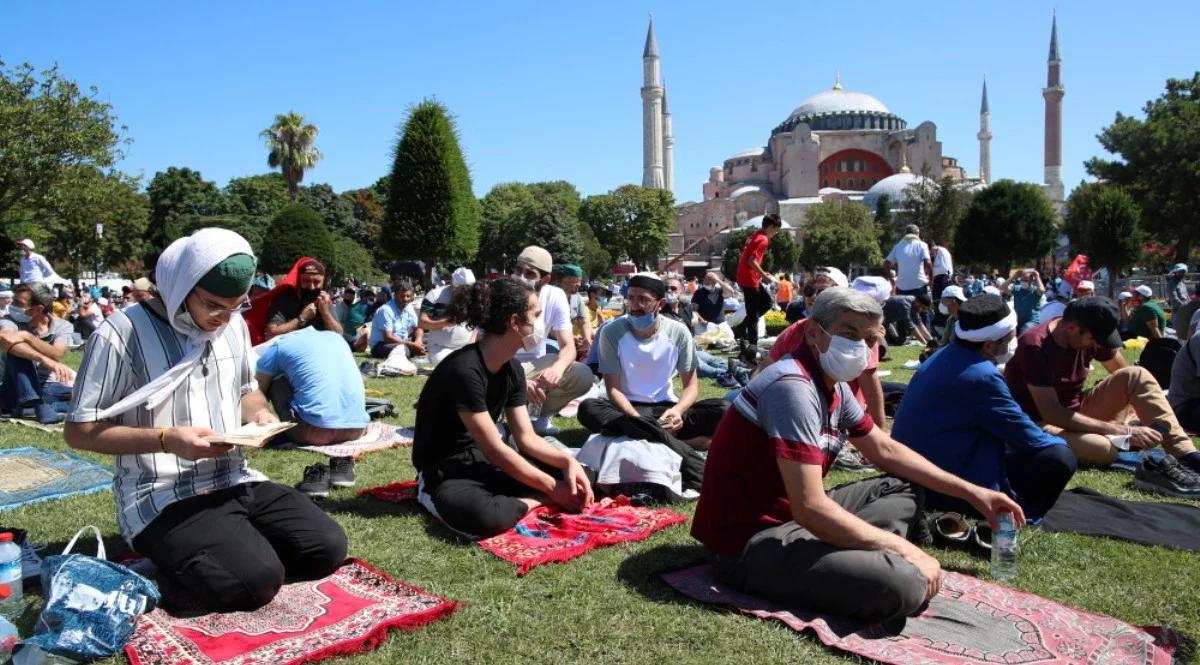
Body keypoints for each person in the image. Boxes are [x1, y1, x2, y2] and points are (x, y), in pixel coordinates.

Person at [690, 287, 1024, 623]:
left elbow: (884, 448)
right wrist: (902, 548)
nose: (860, 347)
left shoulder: (830, 382)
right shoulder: (792, 387)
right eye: (849, 334)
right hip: (747, 545)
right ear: (813, 333)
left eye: (869, 338)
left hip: (792, 518)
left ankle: (853, 553)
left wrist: (975, 492)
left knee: (900, 487)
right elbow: (810, 508)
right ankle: (867, 558)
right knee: (905, 584)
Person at [64, 228, 347, 612]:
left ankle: (223, 554)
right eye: (214, 305)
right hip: (160, 492)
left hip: (233, 477)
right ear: (180, 287)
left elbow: (247, 391)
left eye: (237, 306)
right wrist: (166, 439)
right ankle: (187, 560)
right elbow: (80, 431)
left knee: (325, 548)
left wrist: (260, 414)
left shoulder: (231, 326)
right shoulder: (122, 332)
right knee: (253, 584)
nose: (225, 318)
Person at [411, 278, 594, 538]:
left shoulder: (513, 369)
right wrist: (552, 489)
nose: (540, 324)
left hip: (483, 462)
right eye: (536, 315)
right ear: (515, 322)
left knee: (583, 477)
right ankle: (536, 500)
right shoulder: (464, 370)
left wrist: (567, 463)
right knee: (485, 517)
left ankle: (529, 496)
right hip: (447, 471)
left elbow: (526, 438)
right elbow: (495, 449)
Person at [892, 295, 1076, 519]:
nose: (1013, 339)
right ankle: (1021, 511)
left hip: (915, 471)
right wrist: (1061, 441)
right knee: (1059, 457)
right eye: (1009, 336)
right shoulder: (982, 375)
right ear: (989, 345)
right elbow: (1028, 437)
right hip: (942, 485)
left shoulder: (944, 355)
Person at [1005, 296, 1200, 479]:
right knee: (1101, 449)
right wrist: (1122, 430)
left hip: (1077, 411)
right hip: (1037, 422)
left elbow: (1124, 375)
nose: (1096, 346)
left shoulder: (1090, 332)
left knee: (1137, 375)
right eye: (1093, 341)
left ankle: (1186, 454)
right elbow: (1052, 413)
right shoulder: (1035, 345)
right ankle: (1119, 443)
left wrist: (1133, 411)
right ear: (1072, 328)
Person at [579, 273, 729, 448]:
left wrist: (677, 411)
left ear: (661, 304)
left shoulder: (678, 331)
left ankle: (644, 436)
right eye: (631, 298)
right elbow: (613, 389)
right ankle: (682, 442)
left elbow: (691, 386)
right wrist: (636, 419)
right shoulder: (611, 331)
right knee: (588, 409)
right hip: (627, 409)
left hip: (665, 408)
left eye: (643, 299)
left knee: (724, 409)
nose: (634, 306)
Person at [256, 327, 369, 498]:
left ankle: (288, 425)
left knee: (275, 380)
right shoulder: (337, 339)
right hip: (357, 428)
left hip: (312, 432)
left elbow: (258, 392)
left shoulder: (278, 347)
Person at [511, 246, 593, 436]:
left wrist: (556, 369)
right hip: (501, 365)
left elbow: (568, 347)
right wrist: (517, 378)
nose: (520, 277)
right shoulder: (501, 293)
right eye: (517, 270)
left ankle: (540, 416)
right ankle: (497, 416)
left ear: (545, 279)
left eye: (529, 273)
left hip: (535, 365)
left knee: (582, 374)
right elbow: (483, 348)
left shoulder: (555, 296)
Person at [0, 283, 76, 423]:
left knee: (85, 395)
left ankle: (31, 407)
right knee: (16, 349)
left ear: (38, 308)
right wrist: (43, 359)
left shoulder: (62, 325)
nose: (12, 305)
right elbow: (5, 338)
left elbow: (57, 353)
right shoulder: (9, 320)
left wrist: (28, 337)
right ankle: (38, 405)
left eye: (19, 303)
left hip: (46, 386)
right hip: (13, 385)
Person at [247, 258, 343, 345]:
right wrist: (301, 319)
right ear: (299, 281)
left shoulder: (323, 301)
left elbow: (338, 335)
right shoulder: (285, 298)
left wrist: (325, 312)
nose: (311, 287)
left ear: (323, 282)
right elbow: (270, 334)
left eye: (316, 282)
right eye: (306, 281)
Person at [734, 214, 782, 351]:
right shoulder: (763, 239)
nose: (776, 233)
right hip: (749, 279)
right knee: (754, 314)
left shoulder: (755, 235)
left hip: (748, 276)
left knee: (766, 303)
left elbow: (749, 259)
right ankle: (753, 346)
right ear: (771, 227)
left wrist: (761, 272)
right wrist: (763, 275)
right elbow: (751, 261)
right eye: (776, 230)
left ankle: (742, 327)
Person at [418, 267, 477, 367]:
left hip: (467, 346)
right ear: (453, 286)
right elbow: (422, 322)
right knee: (450, 366)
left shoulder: (473, 298)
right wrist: (447, 322)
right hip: (440, 347)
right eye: (462, 290)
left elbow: (476, 325)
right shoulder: (434, 295)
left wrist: (470, 345)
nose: (466, 293)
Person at [368, 278, 424, 372]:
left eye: (408, 296)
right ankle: (411, 353)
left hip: (402, 342)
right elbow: (388, 338)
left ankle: (413, 351)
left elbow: (418, 328)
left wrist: (418, 341)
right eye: (402, 296)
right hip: (381, 345)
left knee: (428, 339)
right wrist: (411, 345)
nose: (405, 299)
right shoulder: (386, 310)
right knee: (403, 348)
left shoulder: (409, 307)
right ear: (395, 295)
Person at [885, 225, 932, 301]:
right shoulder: (922, 245)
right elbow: (928, 263)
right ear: (917, 234)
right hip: (918, 286)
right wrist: (931, 280)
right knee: (921, 311)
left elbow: (886, 264)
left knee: (903, 312)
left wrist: (891, 279)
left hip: (901, 288)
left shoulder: (898, 246)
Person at [1003, 269, 1044, 334]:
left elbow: (1042, 290)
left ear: (1031, 280)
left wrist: (1037, 276)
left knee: (1024, 331)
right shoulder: (1017, 288)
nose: (1023, 282)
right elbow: (1003, 287)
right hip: (1018, 321)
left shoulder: (1035, 290)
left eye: (1025, 280)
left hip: (1032, 321)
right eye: (1022, 280)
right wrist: (1014, 276)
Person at [333, 286, 371, 351]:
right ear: (344, 296)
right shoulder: (338, 307)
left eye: (351, 298)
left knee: (367, 332)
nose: (350, 299)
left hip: (352, 332)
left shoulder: (354, 307)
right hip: (342, 334)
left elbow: (358, 322)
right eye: (348, 297)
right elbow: (337, 324)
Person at [1168, 263, 1190, 329]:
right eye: (1180, 272)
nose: (1182, 274)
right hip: (1178, 313)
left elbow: (1187, 296)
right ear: (1175, 272)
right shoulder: (1172, 284)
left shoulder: (1182, 283)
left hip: (1186, 311)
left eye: (1183, 272)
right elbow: (1174, 299)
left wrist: (1191, 306)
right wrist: (1185, 308)